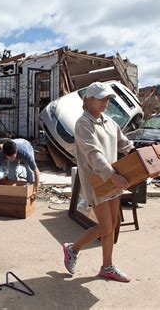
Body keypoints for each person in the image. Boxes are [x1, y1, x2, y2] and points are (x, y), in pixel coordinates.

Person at [62, 82, 134, 282]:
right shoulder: (83, 124)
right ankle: (72, 249)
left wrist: (142, 154)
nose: (106, 102)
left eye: (108, 99)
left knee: (112, 224)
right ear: (89, 100)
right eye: (102, 98)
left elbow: (124, 143)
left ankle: (107, 266)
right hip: (97, 180)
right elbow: (94, 154)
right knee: (104, 226)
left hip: (112, 178)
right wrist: (113, 176)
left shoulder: (109, 122)